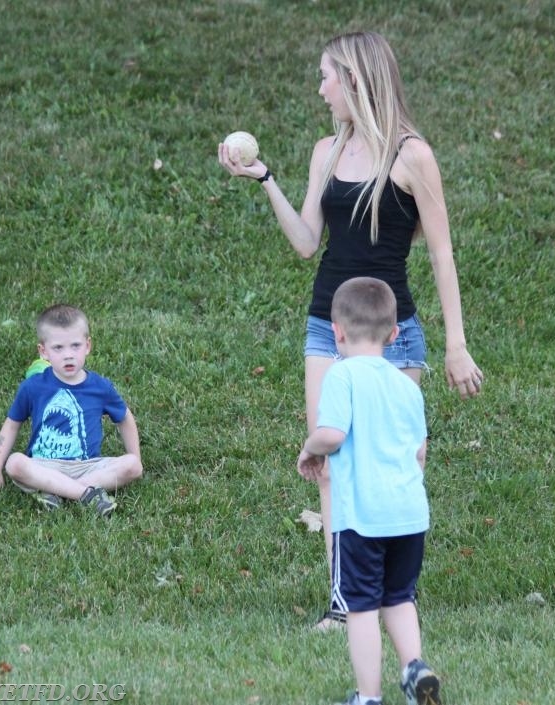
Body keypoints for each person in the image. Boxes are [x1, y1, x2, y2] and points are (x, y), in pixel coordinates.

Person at [218, 30, 483, 629]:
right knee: (334, 459)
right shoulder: (327, 151)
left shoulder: (413, 156)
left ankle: (395, 597)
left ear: (355, 81)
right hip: (327, 329)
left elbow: (442, 255)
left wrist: (456, 345)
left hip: (396, 335)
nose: (320, 89)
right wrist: (265, 180)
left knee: (395, 463)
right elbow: (308, 243)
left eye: (326, 77)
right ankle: (345, 604)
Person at [297, 277, 441, 705]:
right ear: (394, 334)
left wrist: (309, 448)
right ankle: (415, 667)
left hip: (362, 516)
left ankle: (368, 696)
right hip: (409, 513)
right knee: (399, 597)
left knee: (360, 608)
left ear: (337, 332)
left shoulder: (342, 375)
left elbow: (333, 434)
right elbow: (419, 452)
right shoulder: (405, 385)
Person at [0, 304, 143, 516]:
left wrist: (136, 456)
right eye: (58, 348)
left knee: (133, 465)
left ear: (87, 346)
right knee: (15, 464)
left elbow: (124, 418)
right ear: (44, 352)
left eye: (75, 346)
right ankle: (87, 495)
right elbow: (12, 425)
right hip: (43, 466)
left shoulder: (100, 387)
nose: (68, 355)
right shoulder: (33, 387)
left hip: (88, 466)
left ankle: (56, 490)